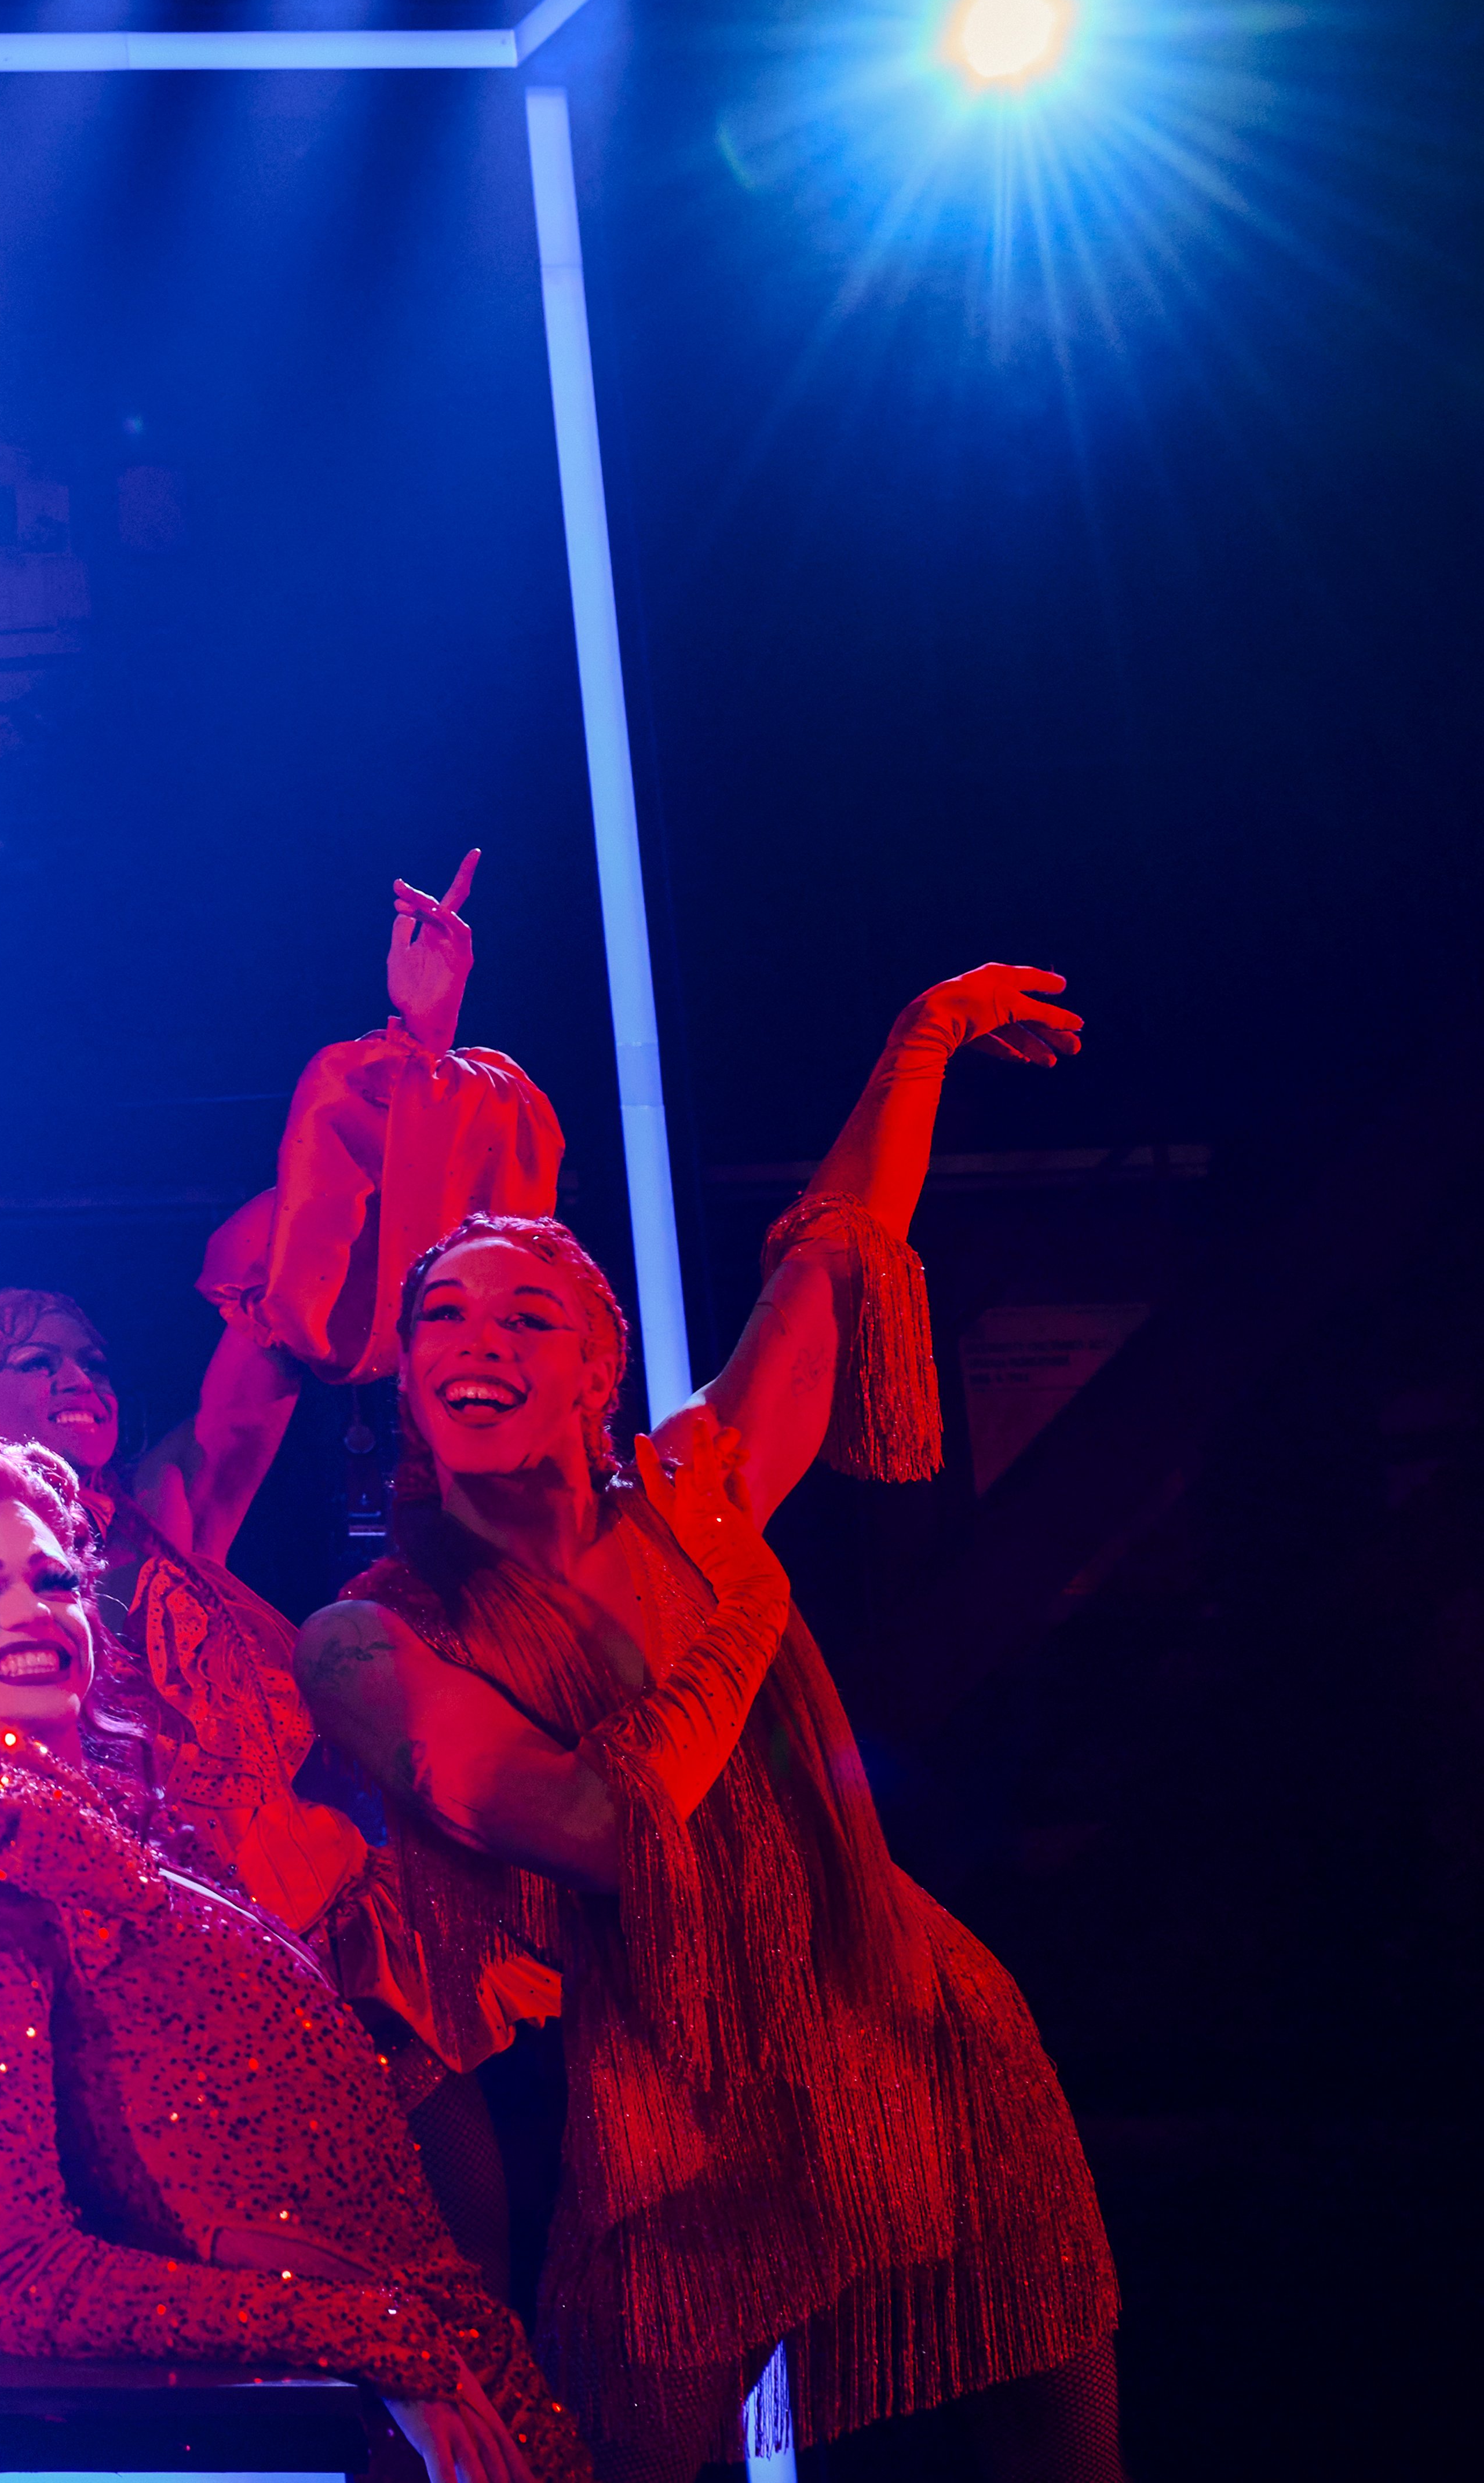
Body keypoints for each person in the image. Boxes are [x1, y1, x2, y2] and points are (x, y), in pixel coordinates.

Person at [295, 967, 1123, 2483]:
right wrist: (743, 1596)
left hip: (912, 2029)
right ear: (406, 1377)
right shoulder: (367, 1636)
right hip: (665, 2121)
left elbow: (832, 1256)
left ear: (596, 1370)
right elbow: (611, 1829)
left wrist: (919, 1041)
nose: (476, 1339)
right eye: (441, 1318)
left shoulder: (692, 1489)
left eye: (528, 1315)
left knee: (1061, 2456)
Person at [0, 1421, 580, 2483]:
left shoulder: (115, 1832)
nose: (29, 1612)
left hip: (437, 2384)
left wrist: (407, 2342)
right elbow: (24, 2284)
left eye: (53, 1580)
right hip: (332, 2421)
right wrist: (372, 2339)